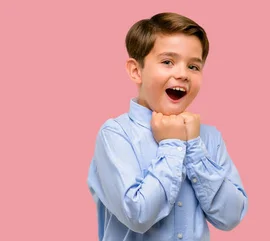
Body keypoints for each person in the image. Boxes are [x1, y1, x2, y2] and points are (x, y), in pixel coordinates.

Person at [86, 12, 248, 241]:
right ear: (136, 70)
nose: (182, 74)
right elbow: (138, 215)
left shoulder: (209, 138)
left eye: (194, 66)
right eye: (167, 62)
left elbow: (231, 216)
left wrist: (193, 147)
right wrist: (172, 144)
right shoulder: (115, 135)